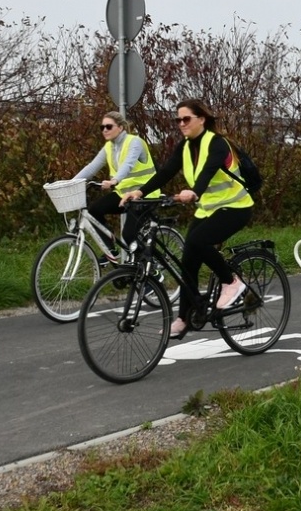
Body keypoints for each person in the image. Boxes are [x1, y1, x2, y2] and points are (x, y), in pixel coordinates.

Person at [121, 99, 252, 340]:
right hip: (208, 210)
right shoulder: (185, 147)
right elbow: (166, 172)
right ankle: (184, 317)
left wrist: (195, 192)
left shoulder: (217, 143)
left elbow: (208, 171)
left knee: (198, 242)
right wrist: (139, 192)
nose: (181, 124)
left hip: (236, 207)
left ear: (201, 119)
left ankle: (231, 281)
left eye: (186, 119)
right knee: (188, 262)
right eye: (178, 120)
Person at [71, 111, 159, 254]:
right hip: (123, 194)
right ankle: (109, 250)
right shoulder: (109, 147)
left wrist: (114, 180)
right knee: (94, 210)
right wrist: (71, 183)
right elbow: (92, 167)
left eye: (109, 126)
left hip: (145, 194)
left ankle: (150, 266)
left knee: (129, 235)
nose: (105, 130)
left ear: (121, 127)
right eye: (102, 127)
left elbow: (128, 164)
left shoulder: (134, 142)